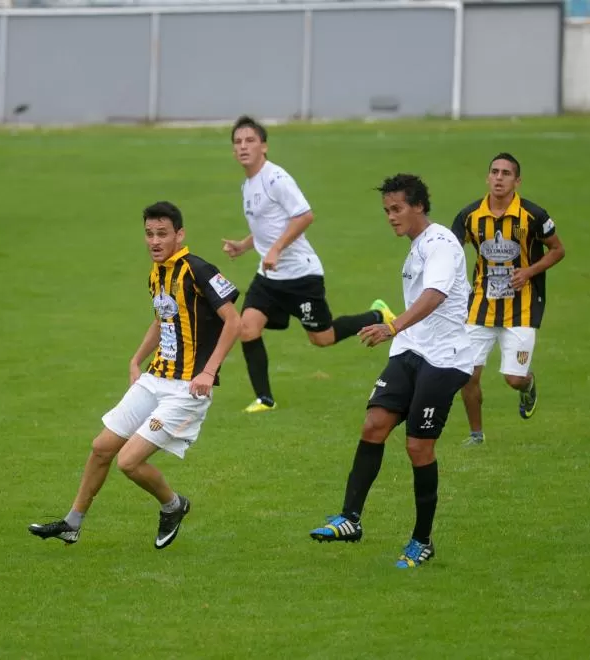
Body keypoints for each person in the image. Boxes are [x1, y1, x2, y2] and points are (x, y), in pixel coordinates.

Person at [28, 201, 241, 549]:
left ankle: (174, 506)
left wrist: (208, 371)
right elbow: (163, 319)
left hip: (187, 389)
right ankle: (72, 523)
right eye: (149, 234)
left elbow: (235, 321)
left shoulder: (198, 270)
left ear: (180, 234)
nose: (154, 241)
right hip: (155, 379)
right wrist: (136, 359)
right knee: (101, 448)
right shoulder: (157, 273)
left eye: (162, 234)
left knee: (128, 461)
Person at [309, 174, 473, 569]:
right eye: (386, 210)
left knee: (418, 447)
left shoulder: (440, 245)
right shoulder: (417, 246)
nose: (390, 217)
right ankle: (350, 519)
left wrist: (393, 325)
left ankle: (422, 540)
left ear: (418, 206)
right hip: (412, 348)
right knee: (374, 425)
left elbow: (435, 295)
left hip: (445, 357)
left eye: (396, 209)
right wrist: (401, 333)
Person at [223, 116, 395, 413]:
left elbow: (304, 215)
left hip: (301, 275)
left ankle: (378, 315)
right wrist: (244, 244)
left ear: (264, 146)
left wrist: (275, 249)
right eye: (238, 142)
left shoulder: (276, 179)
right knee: (247, 328)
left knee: (322, 338)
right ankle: (265, 399)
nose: (243, 146)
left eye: (250, 140)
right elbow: (268, 225)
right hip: (269, 277)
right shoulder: (248, 185)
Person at [451, 153, 566, 446]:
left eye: (506, 173)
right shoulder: (469, 216)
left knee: (513, 379)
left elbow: (557, 250)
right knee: (467, 375)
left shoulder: (534, 215)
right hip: (479, 306)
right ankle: (476, 435)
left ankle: (527, 385)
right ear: (488, 177)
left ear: (517, 181)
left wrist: (529, 271)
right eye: (495, 172)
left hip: (521, 308)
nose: (499, 178)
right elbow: (450, 250)